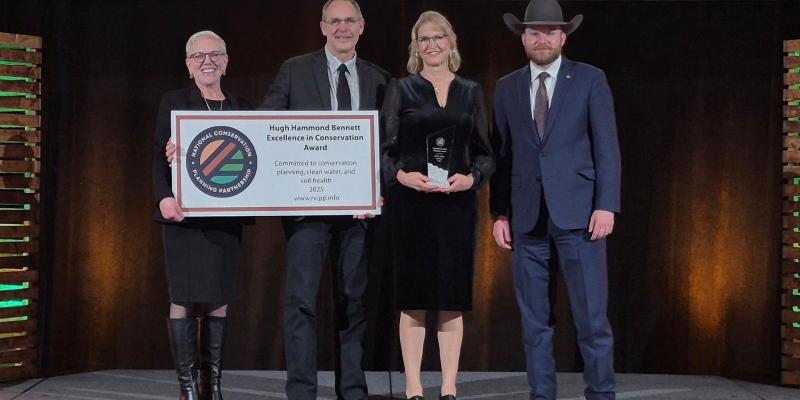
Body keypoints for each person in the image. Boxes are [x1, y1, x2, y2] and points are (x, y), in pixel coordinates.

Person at [258, 1, 390, 399]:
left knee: (354, 303)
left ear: (362, 26)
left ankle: (352, 389)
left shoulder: (381, 80)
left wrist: (378, 190)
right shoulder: (295, 70)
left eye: (350, 21)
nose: (343, 27)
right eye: (335, 21)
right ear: (322, 27)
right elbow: (265, 125)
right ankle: (301, 391)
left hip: (358, 212)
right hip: (306, 211)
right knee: (301, 302)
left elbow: (390, 147)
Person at [489, 0, 621, 399]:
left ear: (563, 36)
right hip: (527, 220)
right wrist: (498, 213)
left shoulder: (589, 79)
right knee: (535, 322)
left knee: (591, 319)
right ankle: (541, 394)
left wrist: (606, 204)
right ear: (523, 38)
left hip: (581, 217)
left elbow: (607, 148)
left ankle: (600, 393)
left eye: (550, 32)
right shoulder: (507, 86)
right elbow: (502, 154)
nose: (541, 38)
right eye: (534, 32)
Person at [380, 11, 494, 400]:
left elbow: (486, 154)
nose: (431, 45)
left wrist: (472, 178)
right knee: (413, 299)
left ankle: (448, 386)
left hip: (456, 208)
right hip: (411, 207)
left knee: (451, 299)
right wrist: (400, 176)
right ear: (416, 47)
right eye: (423, 39)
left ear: (451, 42)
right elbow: (382, 152)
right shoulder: (402, 89)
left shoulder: (471, 91)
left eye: (438, 37)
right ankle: (414, 386)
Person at [154, 30, 250, 400]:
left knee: (218, 297)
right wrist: (163, 196)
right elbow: (155, 157)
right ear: (188, 65)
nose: (207, 61)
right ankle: (188, 388)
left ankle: (213, 385)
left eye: (215, 55)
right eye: (199, 56)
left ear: (226, 61)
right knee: (183, 297)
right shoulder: (174, 101)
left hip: (225, 218)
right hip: (182, 215)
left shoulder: (243, 108)